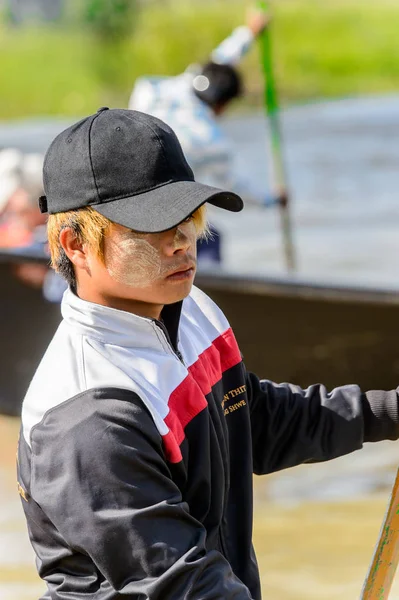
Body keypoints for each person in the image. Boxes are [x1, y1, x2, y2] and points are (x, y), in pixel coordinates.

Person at [17, 108, 399, 600]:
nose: (181, 242)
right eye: (151, 225)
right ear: (76, 244)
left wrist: (387, 412)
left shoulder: (187, 307)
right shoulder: (88, 420)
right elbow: (182, 583)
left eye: (187, 215)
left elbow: (253, 421)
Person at [129, 9, 272, 266]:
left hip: (126, 190)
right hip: (158, 211)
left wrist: (249, 32)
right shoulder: (211, 141)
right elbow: (234, 188)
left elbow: (219, 62)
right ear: (222, 106)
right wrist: (271, 200)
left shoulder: (169, 87)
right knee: (209, 237)